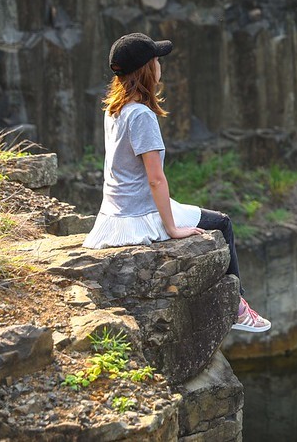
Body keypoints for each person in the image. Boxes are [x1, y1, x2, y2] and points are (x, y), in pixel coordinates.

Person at [82, 32, 270, 333]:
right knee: (222, 222)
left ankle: (236, 306)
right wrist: (171, 228)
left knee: (202, 215)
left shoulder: (114, 110)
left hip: (114, 213)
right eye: (156, 60)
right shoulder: (142, 115)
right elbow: (156, 179)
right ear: (147, 68)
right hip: (139, 215)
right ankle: (237, 307)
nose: (160, 65)